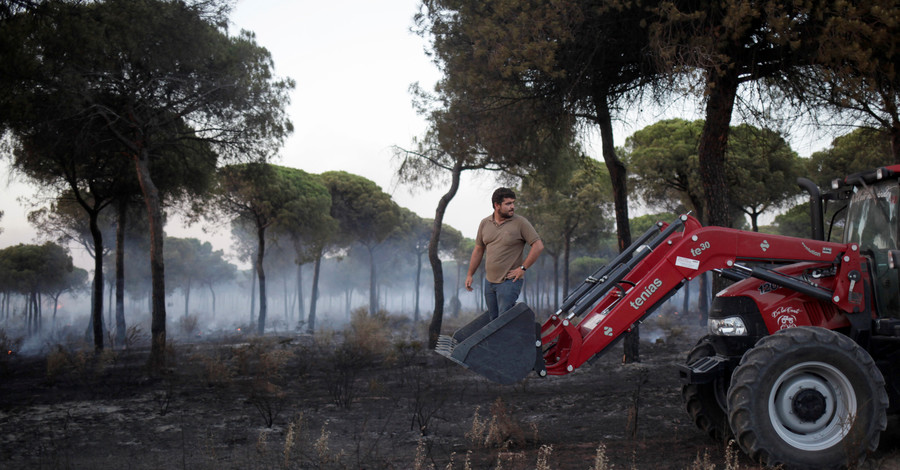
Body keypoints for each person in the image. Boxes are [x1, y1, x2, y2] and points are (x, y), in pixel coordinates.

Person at [465, 187, 544, 320]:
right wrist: (470, 274)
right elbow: (478, 249)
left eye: (513, 203)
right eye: (508, 204)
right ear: (497, 205)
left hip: (509, 282)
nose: (512, 207)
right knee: (493, 321)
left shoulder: (520, 223)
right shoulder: (485, 223)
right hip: (489, 282)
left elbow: (538, 246)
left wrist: (523, 268)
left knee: (503, 323)